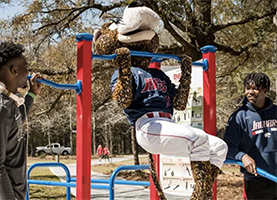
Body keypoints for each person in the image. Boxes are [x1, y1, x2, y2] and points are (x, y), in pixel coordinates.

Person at [94, 2, 228, 199]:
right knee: (197, 139)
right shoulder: (126, 72)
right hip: (147, 125)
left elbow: (179, 103)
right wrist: (123, 67)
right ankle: (201, 195)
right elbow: (123, 100)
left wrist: (186, 73)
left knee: (219, 146)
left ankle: (201, 193)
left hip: (167, 123)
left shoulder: (158, 74)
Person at [0, 42, 42, 200]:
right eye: (25, 67)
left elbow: (16, 122)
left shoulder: (5, 102)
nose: (28, 72)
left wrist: (32, 94)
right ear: (14, 70)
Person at [224, 72, 277, 200]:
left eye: (255, 88)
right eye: (248, 88)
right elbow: (227, 148)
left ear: (265, 90)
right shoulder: (239, 117)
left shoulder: (276, 112)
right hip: (256, 181)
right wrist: (242, 156)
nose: (250, 92)